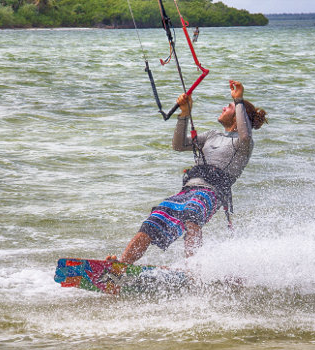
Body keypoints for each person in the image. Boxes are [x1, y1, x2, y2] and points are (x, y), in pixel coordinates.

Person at [107, 80, 267, 264]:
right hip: (187, 190)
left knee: (192, 214)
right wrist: (184, 114)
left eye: (229, 106)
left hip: (212, 193)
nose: (224, 107)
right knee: (153, 220)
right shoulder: (212, 135)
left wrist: (239, 100)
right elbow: (179, 145)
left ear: (240, 117)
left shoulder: (243, 143)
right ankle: (122, 265)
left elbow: (245, 134)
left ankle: (194, 271)